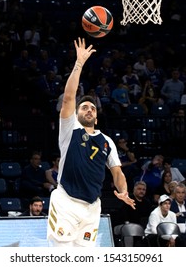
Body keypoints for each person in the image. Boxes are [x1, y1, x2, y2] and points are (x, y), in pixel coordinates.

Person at [47, 37, 136, 247]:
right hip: (66, 202)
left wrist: (123, 191)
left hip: (92, 206)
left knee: (84, 258)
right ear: (76, 114)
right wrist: (79, 63)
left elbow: (117, 172)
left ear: (96, 117)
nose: (89, 109)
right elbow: (69, 97)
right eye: (84, 107)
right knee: (60, 257)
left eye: (92, 108)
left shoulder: (107, 141)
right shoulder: (70, 130)